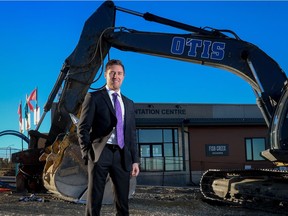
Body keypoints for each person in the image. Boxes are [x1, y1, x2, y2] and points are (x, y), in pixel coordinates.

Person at [77, 59, 140, 216]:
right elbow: (82, 128)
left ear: (123, 76)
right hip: (100, 153)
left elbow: (131, 134)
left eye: (119, 73)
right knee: (94, 200)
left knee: (122, 202)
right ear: (106, 75)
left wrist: (135, 160)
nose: (115, 76)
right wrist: (87, 153)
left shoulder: (129, 103)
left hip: (122, 154)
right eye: (112, 73)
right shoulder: (94, 98)